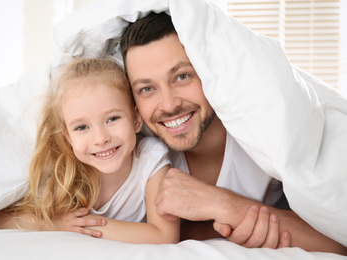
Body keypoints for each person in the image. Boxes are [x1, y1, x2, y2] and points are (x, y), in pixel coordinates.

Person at [119, 12, 347, 254]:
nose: (168, 104)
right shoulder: (136, 150)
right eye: (146, 89)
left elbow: (339, 240)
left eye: (182, 76)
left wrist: (226, 205)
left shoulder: (264, 129)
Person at [0, 58, 180, 244]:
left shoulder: (150, 159)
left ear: (136, 119)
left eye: (112, 119)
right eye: (82, 127)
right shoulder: (62, 169)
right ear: (67, 136)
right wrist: (51, 225)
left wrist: (83, 225)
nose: (101, 139)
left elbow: (164, 235)